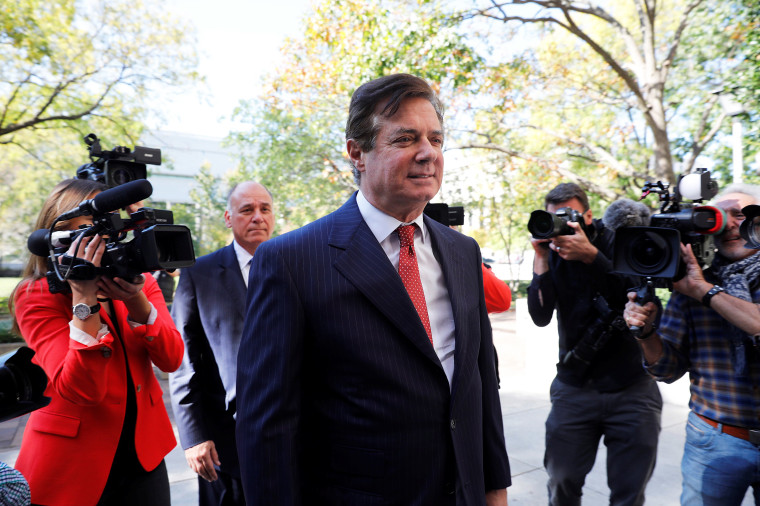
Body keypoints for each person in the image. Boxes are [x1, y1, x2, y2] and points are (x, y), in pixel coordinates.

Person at [236, 73, 510, 505]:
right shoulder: (290, 260)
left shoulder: (462, 252)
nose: (427, 153)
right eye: (405, 139)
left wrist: (495, 488)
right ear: (357, 152)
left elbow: (478, 381)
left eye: (435, 140)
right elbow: (267, 427)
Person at [9, 178, 184, 506]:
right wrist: (83, 299)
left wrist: (136, 301)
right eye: (85, 232)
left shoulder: (140, 282)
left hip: (143, 455)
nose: (100, 241)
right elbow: (81, 389)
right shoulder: (36, 295)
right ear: (57, 239)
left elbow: (172, 359)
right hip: (69, 464)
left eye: (106, 228)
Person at [624, 184, 760, 505]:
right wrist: (645, 332)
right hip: (714, 439)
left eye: (740, 215)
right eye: (719, 217)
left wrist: (705, 291)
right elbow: (666, 368)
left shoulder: (697, 285)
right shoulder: (692, 281)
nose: (729, 225)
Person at [527, 183, 662, 506]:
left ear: (588, 214)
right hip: (575, 386)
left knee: (629, 492)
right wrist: (541, 258)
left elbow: (640, 298)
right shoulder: (553, 250)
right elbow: (540, 315)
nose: (562, 223)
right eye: (554, 217)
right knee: (561, 481)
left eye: (569, 215)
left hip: (631, 387)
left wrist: (593, 257)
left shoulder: (621, 240)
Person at [169, 181, 275, 506]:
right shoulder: (198, 274)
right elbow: (183, 360)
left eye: (264, 209)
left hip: (289, 435)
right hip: (226, 443)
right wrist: (194, 437)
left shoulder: (295, 264)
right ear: (228, 218)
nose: (257, 217)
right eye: (247, 210)